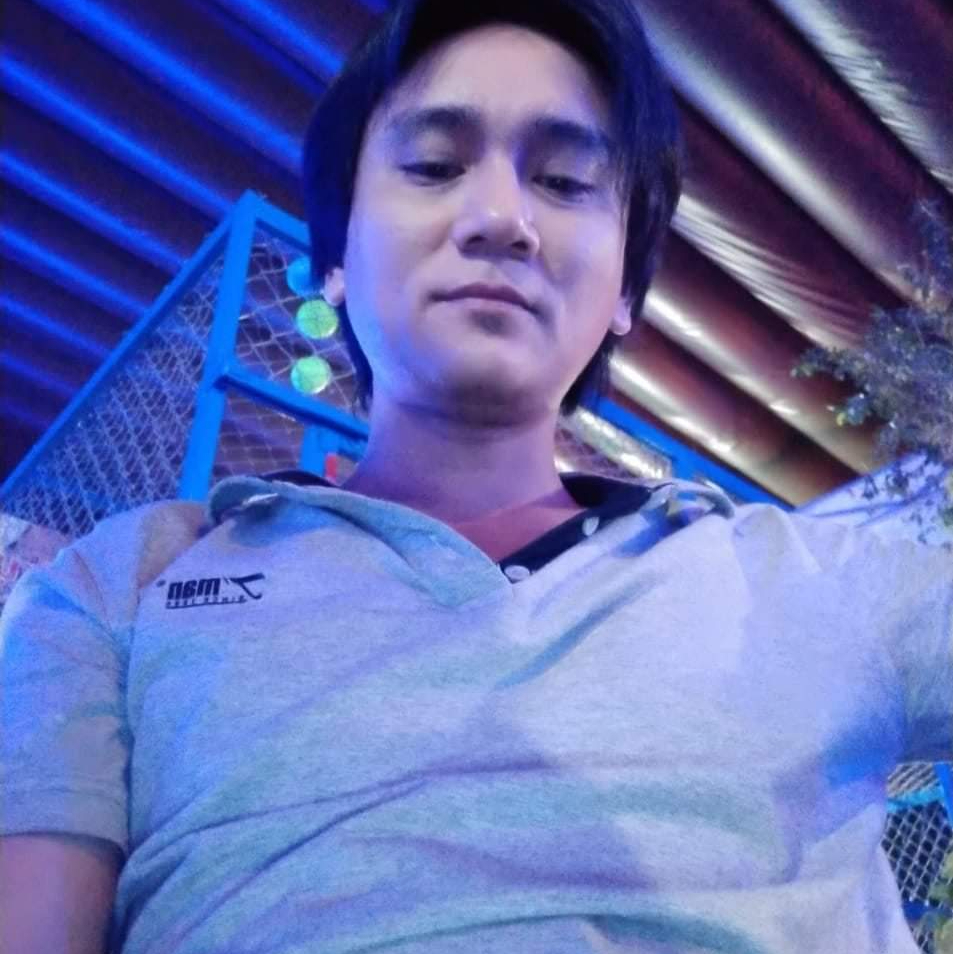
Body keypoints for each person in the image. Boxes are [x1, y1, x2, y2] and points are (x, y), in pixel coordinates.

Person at [1, 1, 950, 953]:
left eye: (565, 181)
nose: (501, 218)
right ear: (334, 259)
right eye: (432, 166)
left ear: (624, 289)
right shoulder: (114, 591)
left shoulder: (816, 577)